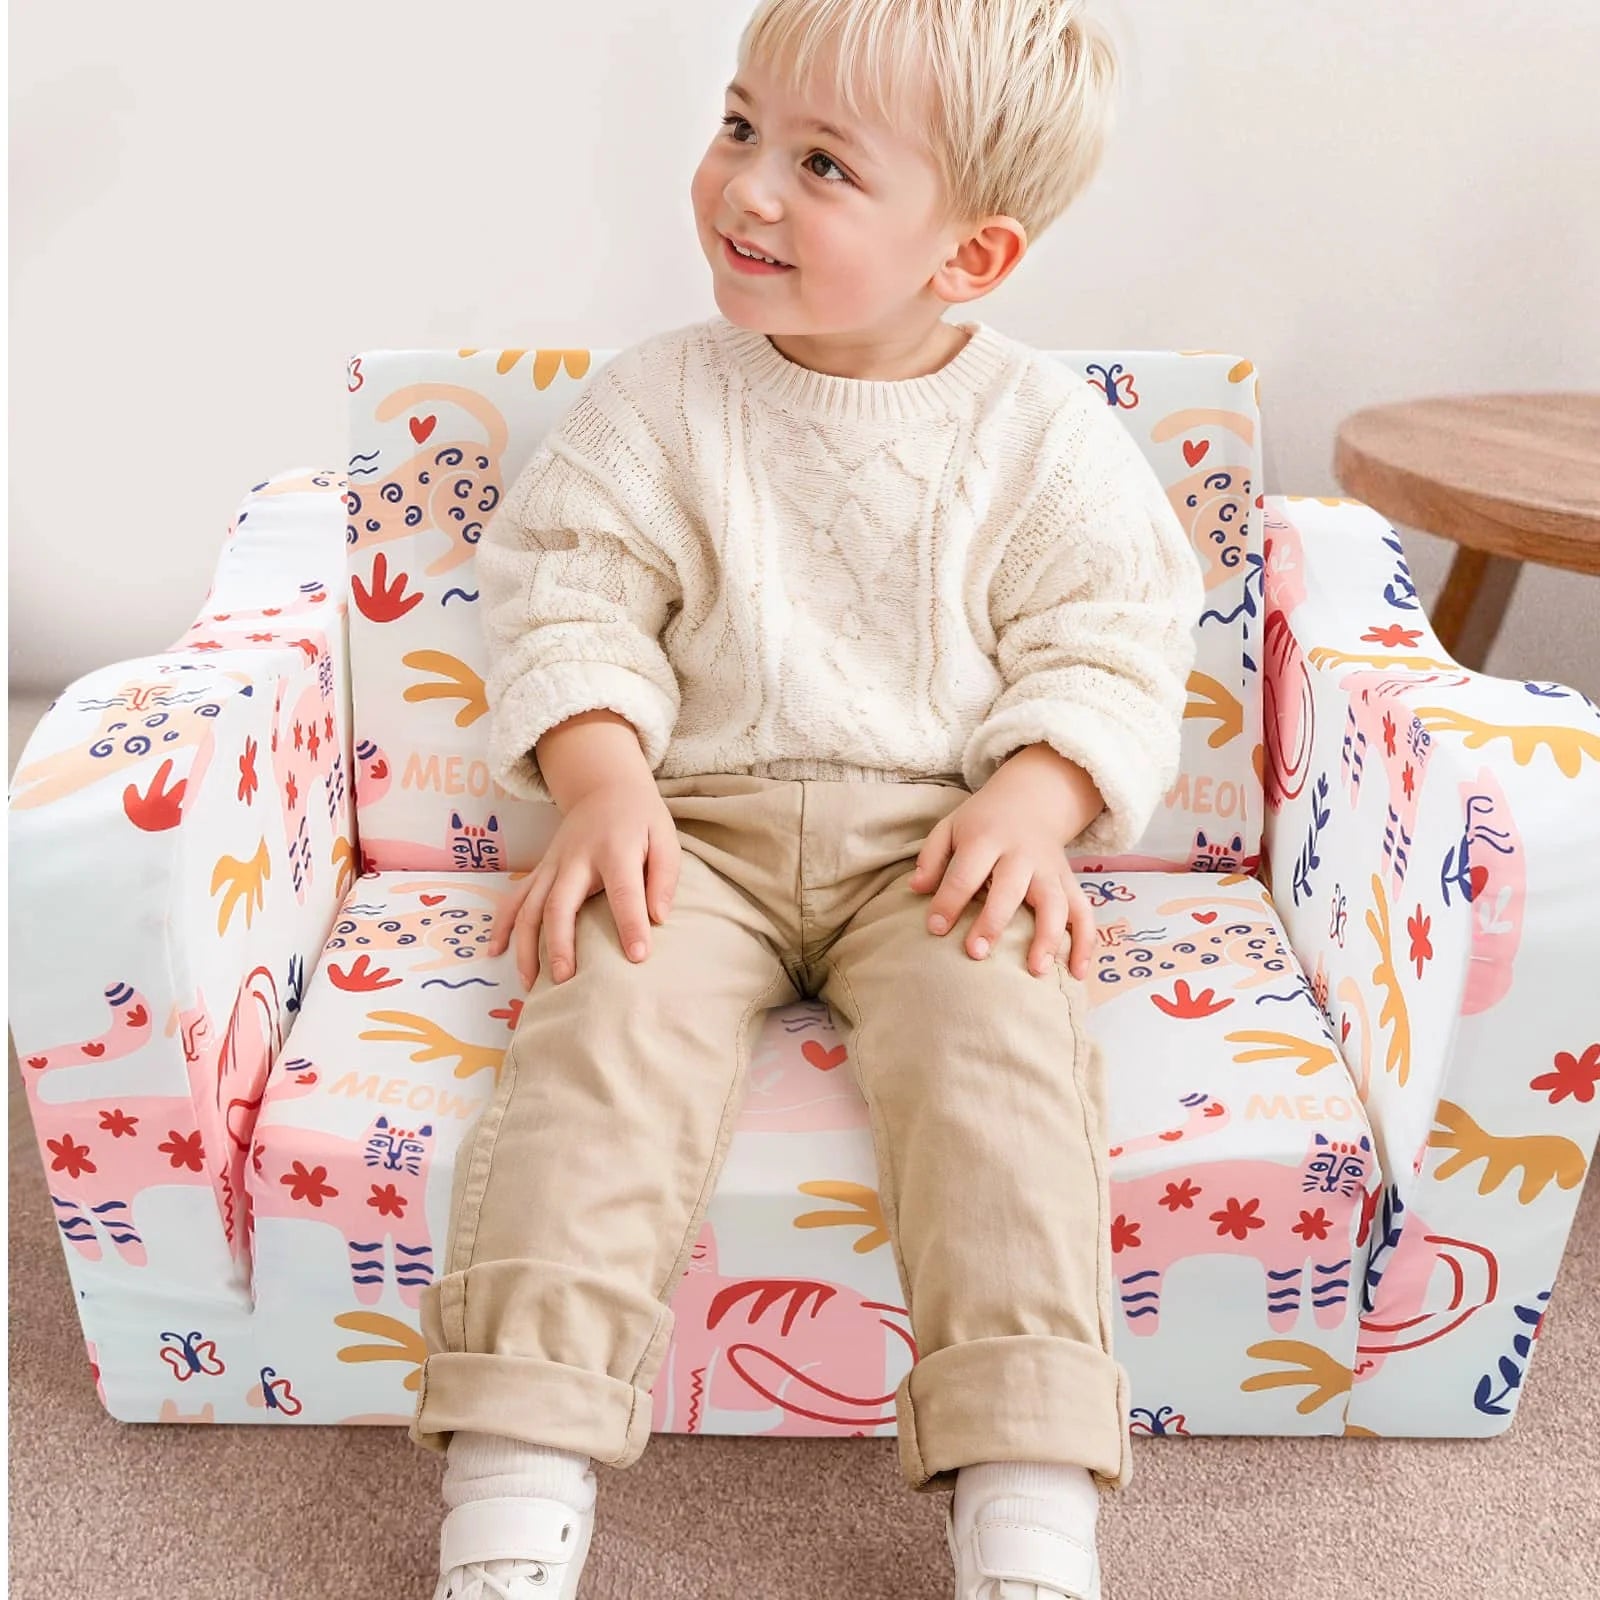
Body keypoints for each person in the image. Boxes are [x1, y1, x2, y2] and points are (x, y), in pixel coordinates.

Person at [411, 1, 1205, 1595]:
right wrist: (604, 777)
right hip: (685, 834)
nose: (748, 187)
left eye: (823, 163)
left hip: (938, 843)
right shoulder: (660, 401)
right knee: (598, 1045)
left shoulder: (1042, 436)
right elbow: (568, 600)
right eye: (739, 125)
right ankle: (513, 1479)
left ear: (968, 259)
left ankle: (1028, 1501)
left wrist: (1040, 799)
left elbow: (1116, 639)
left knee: (1002, 1076)